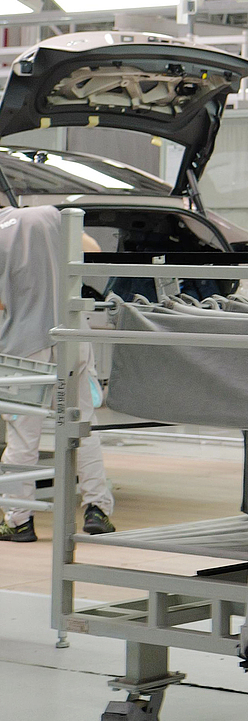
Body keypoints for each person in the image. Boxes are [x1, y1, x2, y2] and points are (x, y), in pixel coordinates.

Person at [1, 205, 116, 541]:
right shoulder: (51, 215)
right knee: (84, 425)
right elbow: (92, 250)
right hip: (73, 335)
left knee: (23, 437)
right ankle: (98, 509)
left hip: (25, 346)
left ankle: (19, 520)